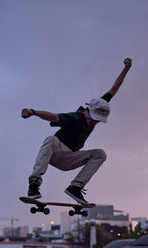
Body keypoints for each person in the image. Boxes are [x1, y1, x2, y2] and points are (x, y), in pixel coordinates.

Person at [21, 58, 132, 204]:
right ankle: (34, 183)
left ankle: (75, 188)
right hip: (56, 153)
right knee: (51, 139)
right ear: (87, 110)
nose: (93, 122)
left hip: (71, 158)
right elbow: (53, 116)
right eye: (92, 118)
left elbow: (114, 89)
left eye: (97, 121)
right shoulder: (75, 118)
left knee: (100, 153)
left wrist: (127, 68)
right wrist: (33, 112)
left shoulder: (99, 106)